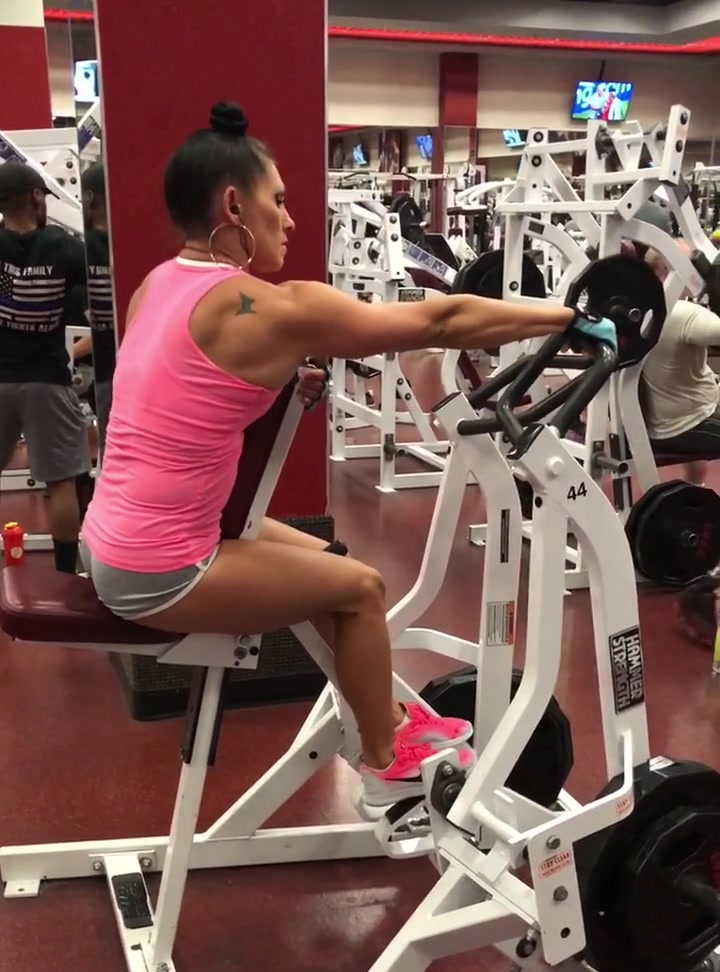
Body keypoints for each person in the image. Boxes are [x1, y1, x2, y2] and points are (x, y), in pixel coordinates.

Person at [80, 101, 616, 814]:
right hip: (160, 565)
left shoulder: (156, 285)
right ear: (234, 206)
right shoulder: (268, 308)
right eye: (278, 201)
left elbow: (183, 390)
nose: (291, 219)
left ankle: (380, 715)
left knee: (329, 564)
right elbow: (443, 318)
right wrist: (570, 318)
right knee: (361, 589)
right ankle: (384, 764)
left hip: (112, 536)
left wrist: (284, 379)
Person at [0, 161, 93, 573]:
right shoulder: (65, 247)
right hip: (47, 379)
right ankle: (65, 576)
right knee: (61, 482)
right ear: (37, 197)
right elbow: (99, 300)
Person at [640, 246, 720, 486]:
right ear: (670, 269)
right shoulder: (683, 313)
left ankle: (696, 490)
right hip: (688, 424)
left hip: (661, 422)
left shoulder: (638, 306)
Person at [80, 161, 117, 452]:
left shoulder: (79, 251)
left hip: (106, 372)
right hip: (143, 367)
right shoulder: (133, 243)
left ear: (90, 197)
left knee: (112, 450)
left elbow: (93, 321)